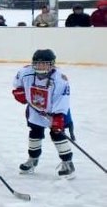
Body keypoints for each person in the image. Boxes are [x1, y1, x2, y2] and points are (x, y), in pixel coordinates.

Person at [12, 49, 74, 178]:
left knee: (57, 135)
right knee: (35, 133)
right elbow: (18, 85)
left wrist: (57, 118)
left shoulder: (60, 79)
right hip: (35, 111)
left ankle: (68, 163)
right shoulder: (24, 72)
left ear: (52, 64)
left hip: (54, 112)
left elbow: (62, 99)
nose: (41, 66)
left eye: (44, 63)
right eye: (38, 63)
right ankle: (32, 160)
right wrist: (19, 92)